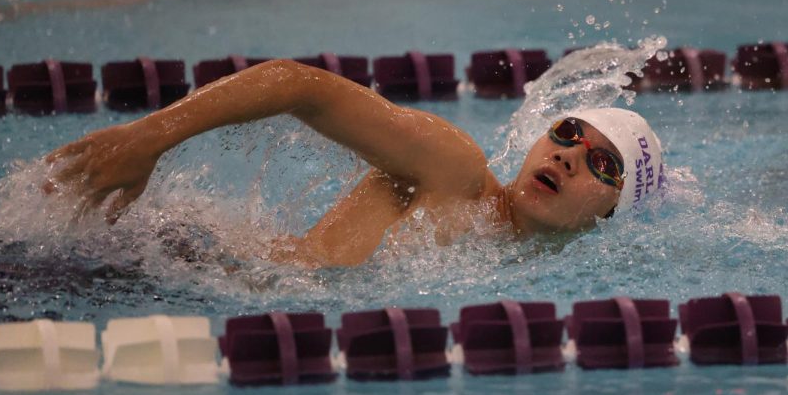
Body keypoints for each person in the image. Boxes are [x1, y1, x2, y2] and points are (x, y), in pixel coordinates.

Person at [44, 59, 665, 267]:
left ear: (614, 211)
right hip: (151, 260)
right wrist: (147, 139)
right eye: (566, 132)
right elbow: (301, 86)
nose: (567, 154)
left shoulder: (522, 272)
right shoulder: (455, 173)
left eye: (602, 164)